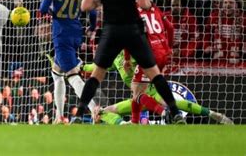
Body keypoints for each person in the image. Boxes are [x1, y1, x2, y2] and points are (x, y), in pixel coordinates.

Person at [74, 0, 185, 124]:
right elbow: (143, 4)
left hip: (111, 31)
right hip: (133, 31)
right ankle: (175, 113)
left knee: (97, 75)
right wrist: (147, 1)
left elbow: (85, 6)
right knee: (155, 74)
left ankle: (78, 115)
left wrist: (103, 1)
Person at [83, 50, 234, 125]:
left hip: (153, 91)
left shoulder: (134, 51)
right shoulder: (114, 58)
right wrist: (79, 67)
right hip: (137, 99)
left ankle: (214, 114)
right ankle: (124, 125)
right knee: (102, 111)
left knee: (172, 104)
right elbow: (94, 67)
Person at [39, 0, 96, 123]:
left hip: (61, 34)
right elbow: (92, 12)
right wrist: (91, 28)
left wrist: (51, 13)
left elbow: (43, 9)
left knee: (72, 75)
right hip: (76, 33)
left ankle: (94, 109)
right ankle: (59, 116)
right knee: (56, 73)